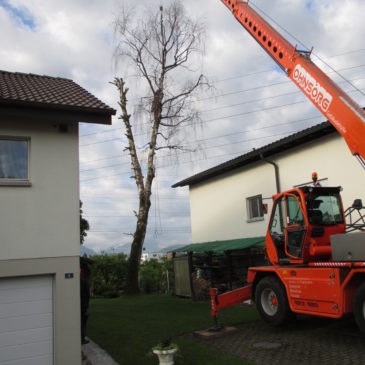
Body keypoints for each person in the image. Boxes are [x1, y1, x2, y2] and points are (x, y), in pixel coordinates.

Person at [80, 262, 90, 345]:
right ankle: (82, 339)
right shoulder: (84, 282)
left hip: (79, 305)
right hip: (83, 306)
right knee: (83, 323)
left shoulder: (77, 281)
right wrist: (86, 307)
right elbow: (87, 295)